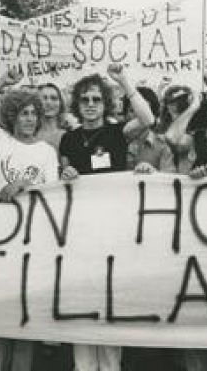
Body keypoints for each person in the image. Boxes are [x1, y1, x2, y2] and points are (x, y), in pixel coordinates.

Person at [58, 63, 154, 371]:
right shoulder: (68, 140)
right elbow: (61, 175)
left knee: (110, 303)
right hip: (79, 231)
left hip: (113, 229)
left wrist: (123, 81)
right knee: (81, 304)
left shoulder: (117, 132)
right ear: (77, 104)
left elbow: (148, 118)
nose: (89, 105)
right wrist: (66, 173)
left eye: (96, 99)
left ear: (105, 103)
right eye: (84, 100)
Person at [0, 68, 60, 371]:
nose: (30, 119)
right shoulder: (1, 142)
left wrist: (23, 185)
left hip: (32, 241)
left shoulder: (47, 152)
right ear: (12, 117)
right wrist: (0, 82)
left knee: (23, 325)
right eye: (22, 113)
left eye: (34, 113)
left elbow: (53, 195)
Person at [37, 82, 68, 151]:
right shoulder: (29, 135)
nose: (49, 102)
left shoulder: (69, 136)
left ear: (61, 103)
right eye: (44, 98)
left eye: (54, 98)